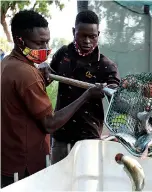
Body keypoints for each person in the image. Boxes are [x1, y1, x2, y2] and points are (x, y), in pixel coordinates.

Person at [1, 10, 105, 188]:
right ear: (20, 41)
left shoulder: (6, 64)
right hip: (24, 164)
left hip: (7, 160)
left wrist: (42, 81)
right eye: (39, 43)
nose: (45, 48)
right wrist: (86, 95)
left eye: (47, 41)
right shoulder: (27, 74)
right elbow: (49, 123)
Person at [41, 10, 120, 164]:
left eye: (92, 36)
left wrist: (111, 90)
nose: (87, 41)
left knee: (86, 182)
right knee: (60, 181)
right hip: (61, 135)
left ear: (98, 34)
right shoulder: (62, 54)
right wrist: (42, 69)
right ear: (73, 32)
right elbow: (48, 77)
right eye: (82, 35)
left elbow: (115, 93)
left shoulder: (106, 65)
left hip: (89, 137)